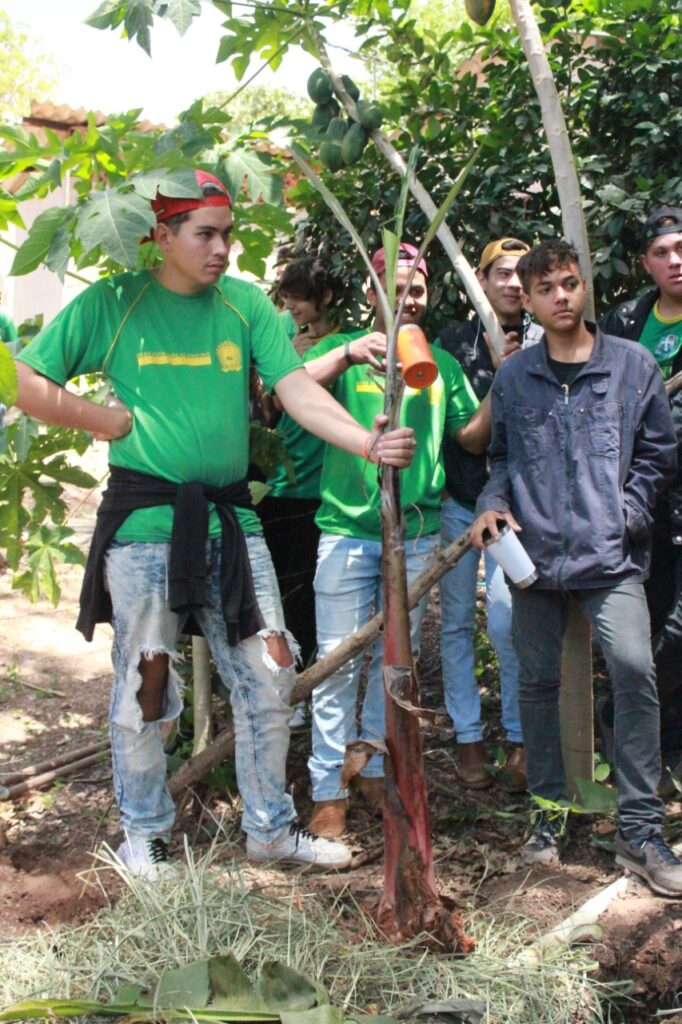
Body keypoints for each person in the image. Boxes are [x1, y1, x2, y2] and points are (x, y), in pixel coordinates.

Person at [12, 169, 416, 879]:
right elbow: (22, 378)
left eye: (227, 232)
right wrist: (104, 419)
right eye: (205, 234)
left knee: (269, 672)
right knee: (149, 680)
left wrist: (366, 441)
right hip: (143, 525)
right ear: (161, 236)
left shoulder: (244, 305)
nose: (223, 248)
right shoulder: (114, 302)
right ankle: (147, 836)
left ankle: (269, 832)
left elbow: (293, 391)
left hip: (232, 523)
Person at [470, 238, 682, 898]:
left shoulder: (631, 366)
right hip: (533, 560)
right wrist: (491, 506)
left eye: (569, 284)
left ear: (582, 287)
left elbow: (657, 454)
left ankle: (640, 830)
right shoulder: (515, 376)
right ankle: (549, 815)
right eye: (546, 290)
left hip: (610, 554)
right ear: (527, 301)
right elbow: (499, 459)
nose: (561, 298)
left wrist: (627, 511)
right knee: (536, 684)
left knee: (633, 671)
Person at [304, 243, 493, 839]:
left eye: (417, 288)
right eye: (395, 286)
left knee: (395, 664)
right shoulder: (349, 357)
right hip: (346, 531)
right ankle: (327, 788)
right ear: (371, 290)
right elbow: (286, 389)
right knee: (337, 661)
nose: (407, 298)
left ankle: (376, 768)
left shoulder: (439, 363)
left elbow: (468, 436)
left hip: (414, 534)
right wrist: (343, 352)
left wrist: (506, 379)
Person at [435, 238, 542, 791]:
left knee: (506, 619)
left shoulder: (546, 334)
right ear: (477, 281)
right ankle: (468, 737)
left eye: (521, 274)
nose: (513, 285)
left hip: (516, 508)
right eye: (500, 274)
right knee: (454, 623)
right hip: (459, 499)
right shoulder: (452, 343)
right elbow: (466, 440)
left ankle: (522, 738)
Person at [599, 206, 682, 791]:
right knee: (649, 613)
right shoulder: (628, 319)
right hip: (644, 497)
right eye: (663, 252)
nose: (675, 261)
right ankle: (659, 750)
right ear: (645, 262)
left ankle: (617, 713)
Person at [258, 257, 344, 671]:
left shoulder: (348, 340)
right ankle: (282, 676)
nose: (292, 311)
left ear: (324, 297)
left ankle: (306, 676)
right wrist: (290, 358)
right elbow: (269, 401)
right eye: (287, 301)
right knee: (277, 590)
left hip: (321, 485)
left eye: (300, 303)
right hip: (279, 477)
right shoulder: (281, 329)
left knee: (308, 589)